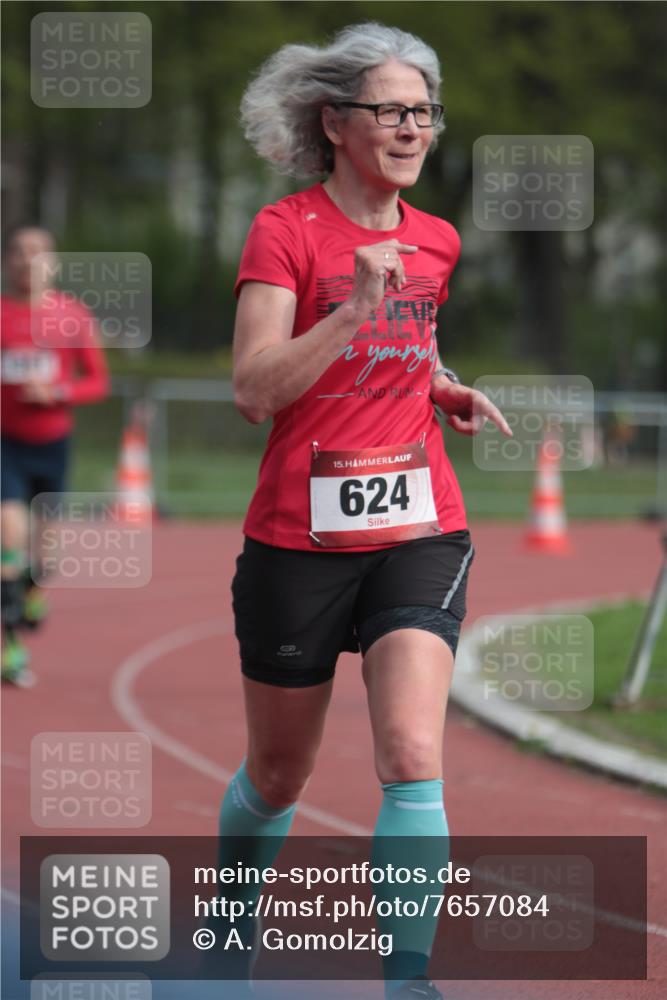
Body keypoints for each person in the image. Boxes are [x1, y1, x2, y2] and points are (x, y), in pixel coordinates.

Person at [216, 23, 511, 999]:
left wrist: (442, 386)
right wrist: (345, 310)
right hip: (298, 538)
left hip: (417, 521)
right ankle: (229, 925)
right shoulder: (285, 231)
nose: (411, 127)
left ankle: (407, 977)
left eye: (422, 110)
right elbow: (255, 389)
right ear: (336, 121)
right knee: (279, 774)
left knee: (411, 748)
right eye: (390, 109)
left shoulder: (436, 238)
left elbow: (407, 346)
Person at [1, 226, 109, 684]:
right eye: (20, 253)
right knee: (7, 543)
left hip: (52, 445)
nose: (29, 262)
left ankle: (33, 590)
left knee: (44, 557)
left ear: (53, 264)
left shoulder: (72, 316)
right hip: (5, 444)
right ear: (9, 261)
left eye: (38, 254)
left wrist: (58, 390)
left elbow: (98, 382)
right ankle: (11, 651)